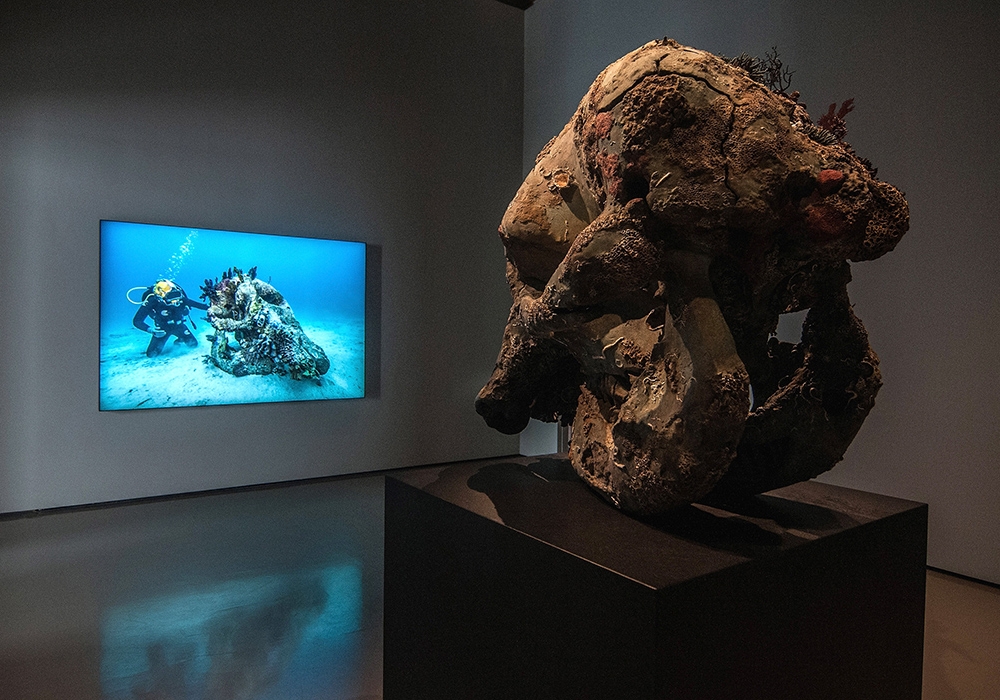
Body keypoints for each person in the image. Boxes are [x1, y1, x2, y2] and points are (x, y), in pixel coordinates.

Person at [132, 279, 209, 358]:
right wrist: (151, 330)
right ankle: (176, 340)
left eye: (176, 296)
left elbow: (198, 305)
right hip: (162, 330)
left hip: (179, 326)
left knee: (193, 345)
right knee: (151, 354)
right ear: (160, 297)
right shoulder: (152, 301)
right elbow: (137, 321)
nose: (175, 301)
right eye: (170, 298)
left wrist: (212, 307)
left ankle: (179, 340)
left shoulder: (180, 298)